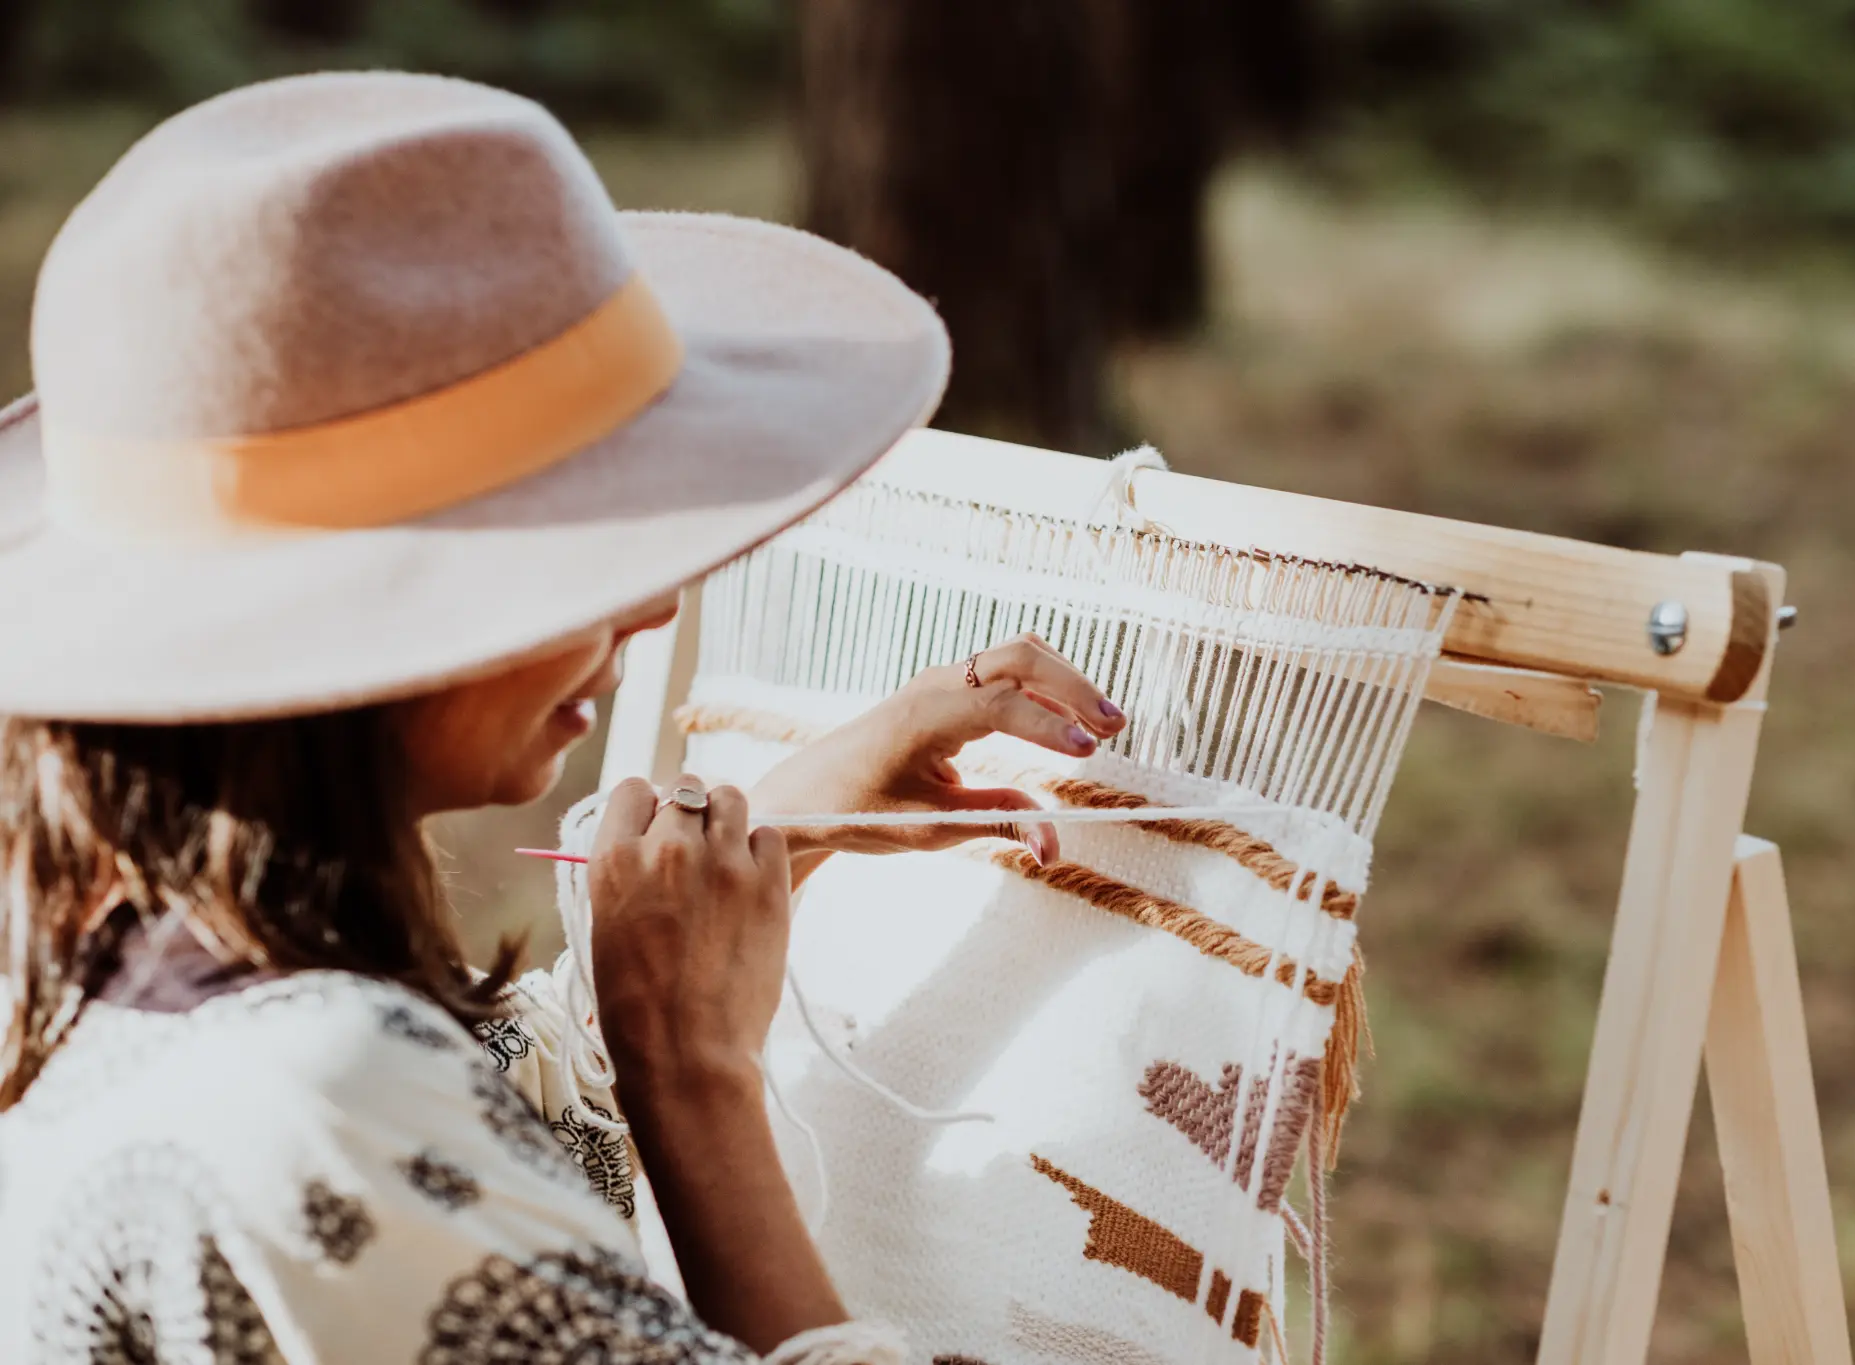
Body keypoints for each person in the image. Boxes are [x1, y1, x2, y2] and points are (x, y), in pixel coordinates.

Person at [0, 72, 1125, 1363]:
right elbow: (395, 1150)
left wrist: (778, 830)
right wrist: (693, 1075)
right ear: (377, 609)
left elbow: (459, 1156)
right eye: (577, 546)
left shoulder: (87, 964)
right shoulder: (317, 1104)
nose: (648, 609)